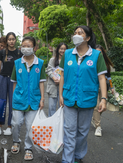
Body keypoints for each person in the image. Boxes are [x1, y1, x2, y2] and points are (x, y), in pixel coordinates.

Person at [59, 26, 107, 163]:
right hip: (68, 97)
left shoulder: (96, 55)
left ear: (88, 38)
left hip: (87, 98)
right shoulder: (67, 54)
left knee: (82, 132)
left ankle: (78, 156)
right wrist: (61, 95)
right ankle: (67, 159)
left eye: (80, 33)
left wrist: (103, 98)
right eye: (75, 33)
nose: (76, 35)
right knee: (69, 130)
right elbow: (62, 75)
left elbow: (102, 77)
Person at [10, 36, 46, 161]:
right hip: (19, 98)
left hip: (34, 99)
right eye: (23, 46)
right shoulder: (17, 63)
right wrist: (14, 96)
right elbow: (14, 82)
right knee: (16, 123)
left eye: (28, 46)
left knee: (31, 126)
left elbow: (41, 82)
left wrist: (42, 98)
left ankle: (28, 148)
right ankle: (16, 141)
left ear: (34, 47)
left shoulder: (40, 63)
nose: (25, 48)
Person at [0, 32, 23, 136]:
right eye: (9, 39)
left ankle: (9, 126)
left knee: (12, 103)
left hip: (14, 81)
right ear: (7, 41)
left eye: (13, 39)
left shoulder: (19, 53)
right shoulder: (1, 53)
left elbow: (21, 69)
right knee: (1, 102)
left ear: (15, 40)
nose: (11, 41)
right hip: (2, 79)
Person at [91, 44, 115, 137]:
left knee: (102, 108)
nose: (98, 54)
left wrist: (112, 87)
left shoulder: (105, 63)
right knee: (96, 106)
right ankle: (98, 126)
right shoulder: (91, 61)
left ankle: (95, 118)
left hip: (104, 87)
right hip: (94, 87)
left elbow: (109, 77)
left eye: (100, 52)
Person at [46, 43, 68, 117]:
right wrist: (54, 78)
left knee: (62, 107)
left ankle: (60, 126)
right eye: (61, 48)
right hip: (53, 86)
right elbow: (48, 70)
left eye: (64, 49)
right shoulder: (53, 59)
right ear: (58, 49)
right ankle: (51, 126)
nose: (63, 50)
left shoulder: (68, 61)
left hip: (64, 87)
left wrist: (62, 81)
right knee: (51, 108)